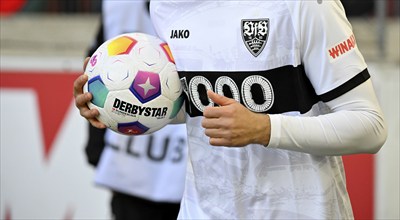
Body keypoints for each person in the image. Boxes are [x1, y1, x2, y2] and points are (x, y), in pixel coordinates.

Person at [75, 0, 388, 219]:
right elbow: (200, 108)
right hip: (203, 211)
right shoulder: (165, 6)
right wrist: (117, 105)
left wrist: (266, 129)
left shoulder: (303, 4)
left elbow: (370, 126)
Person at [83, 1, 188, 220]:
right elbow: (95, 71)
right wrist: (96, 141)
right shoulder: (118, 5)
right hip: (133, 171)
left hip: (197, 173)